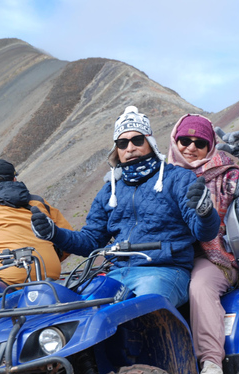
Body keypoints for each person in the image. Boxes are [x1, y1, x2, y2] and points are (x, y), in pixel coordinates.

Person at [30, 106, 220, 308]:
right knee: (76, 312)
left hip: (165, 271)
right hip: (117, 273)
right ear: (117, 150)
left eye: (137, 140)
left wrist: (205, 212)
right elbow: (90, 241)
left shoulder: (178, 178)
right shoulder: (108, 191)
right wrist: (53, 233)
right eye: (122, 143)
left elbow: (204, 232)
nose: (130, 148)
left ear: (150, 142)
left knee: (143, 311)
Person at [167, 114, 239, 374]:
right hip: (165, 259)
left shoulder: (225, 176)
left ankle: (212, 366)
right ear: (174, 141)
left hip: (215, 259)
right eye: (184, 141)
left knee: (199, 286)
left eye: (200, 143)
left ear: (210, 147)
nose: (190, 148)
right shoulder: (160, 178)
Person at [0, 159, 72, 284]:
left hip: (5, 280)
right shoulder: (39, 202)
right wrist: (50, 256)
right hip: (48, 274)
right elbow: (68, 239)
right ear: (14, 180)